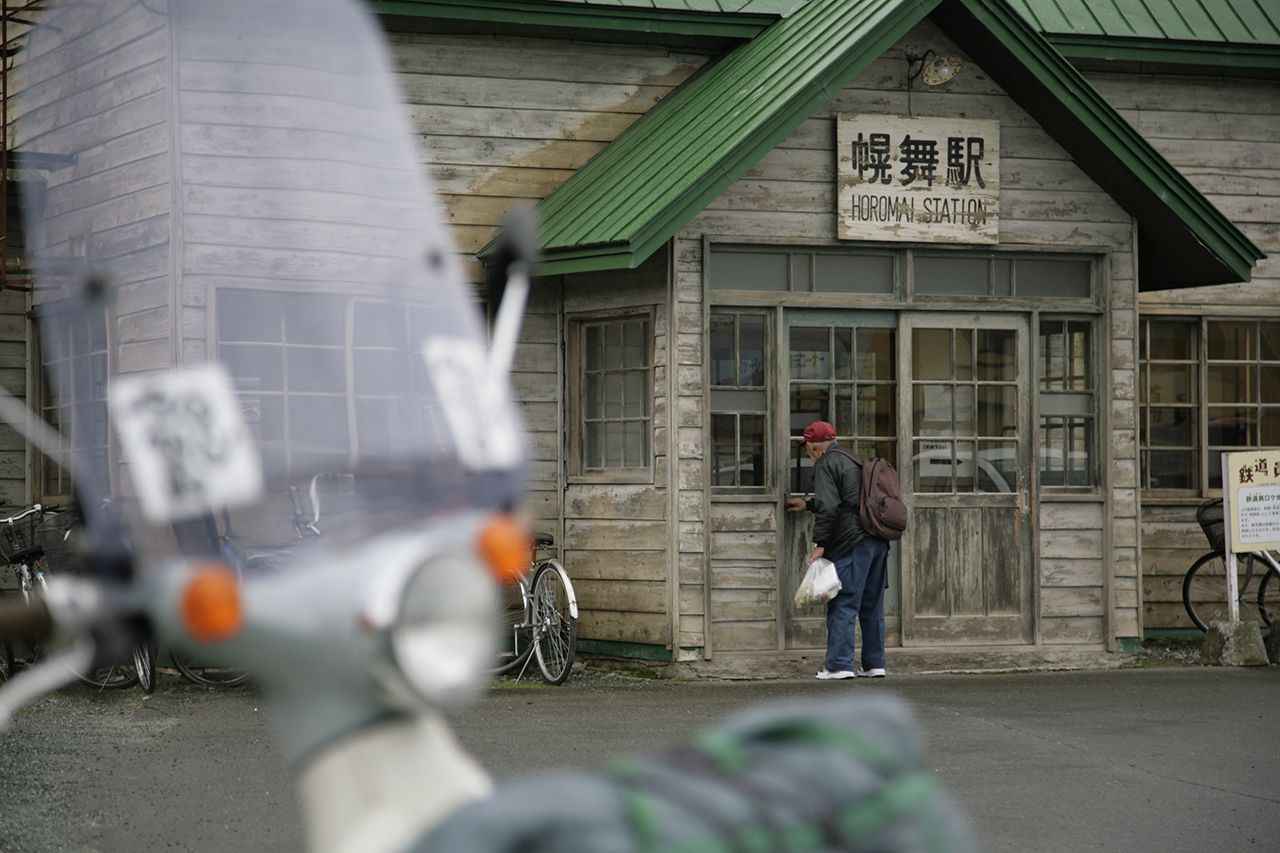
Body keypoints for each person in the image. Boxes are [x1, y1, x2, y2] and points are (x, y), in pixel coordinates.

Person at [785, 420, 890, 681]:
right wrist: (809, 505)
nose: (808, 455)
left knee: (843, 602)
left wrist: (820, 544)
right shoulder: (853, 459)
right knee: (871, 604)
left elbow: (831, 508)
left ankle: (840, 665)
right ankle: (874, 664)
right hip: (876, 539)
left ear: (814, 446)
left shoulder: (826, 463)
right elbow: (847, 499)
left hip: (852, 541)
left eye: (807, 449)